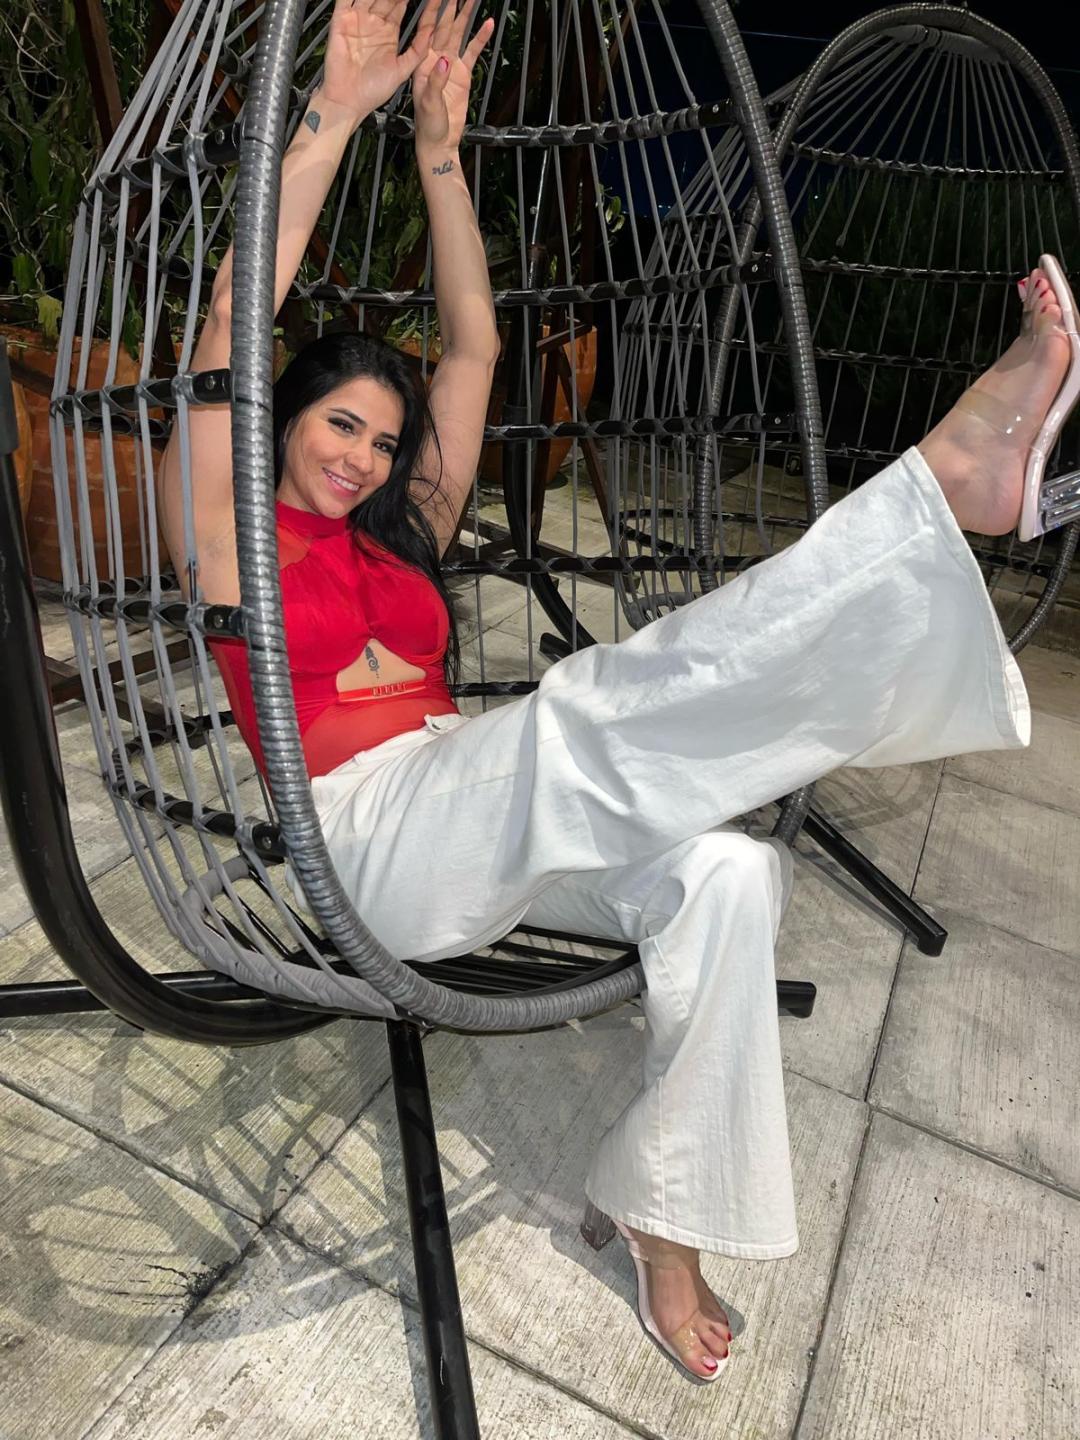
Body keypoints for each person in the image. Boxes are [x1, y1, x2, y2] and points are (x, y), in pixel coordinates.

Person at [160, 0, 1078, 1384]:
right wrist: (336, 114)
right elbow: (230, 329)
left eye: (384, 440)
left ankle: (665, 1216)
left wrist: (441, 156)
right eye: (339, 424)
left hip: (481, 811)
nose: (362, 457)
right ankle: (938, 493)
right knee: (577, 719)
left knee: (727, 876)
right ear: (281, 421)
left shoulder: (399, 536)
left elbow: (474, 349)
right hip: (364, 845)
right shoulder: (228, 532)